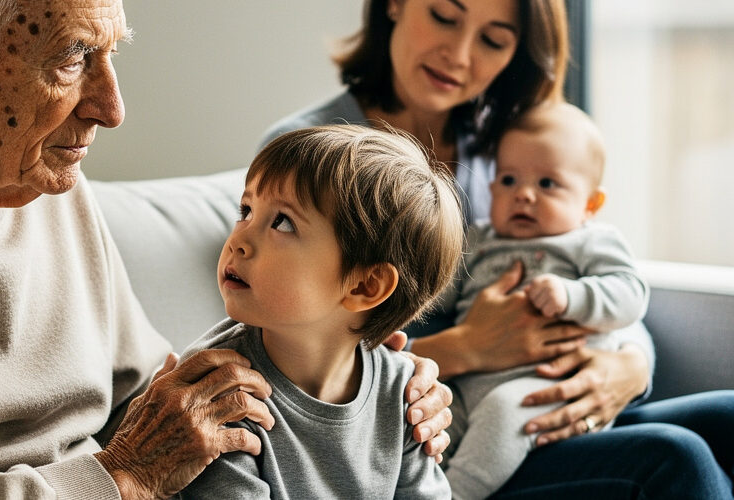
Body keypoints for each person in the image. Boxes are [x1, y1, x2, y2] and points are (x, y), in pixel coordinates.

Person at [0, 1, 454, 498]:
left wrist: (362, 380)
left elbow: (156, 396)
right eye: (72, 58)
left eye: (110, 54)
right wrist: (117, 478)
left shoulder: (49, 185)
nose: (113, 107)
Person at [260, 0, 734, 497]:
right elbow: (295, 352)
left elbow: (586, 260)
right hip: (443, 428)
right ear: (395, 4)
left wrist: (631, 365)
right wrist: (465, 347)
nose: (459, 55)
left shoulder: (508, 148)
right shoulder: (309, 150)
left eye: (493, 40)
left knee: (727, 416)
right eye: (444, 16)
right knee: (677, 456)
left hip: (549, 385)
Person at [180, 124, 460, 499]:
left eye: (282, 222)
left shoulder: (406, 394)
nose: (239, 240)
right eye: (246, 211)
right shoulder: (220, 390)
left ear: (364, 286)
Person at [441, 101, 649, 499]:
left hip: (544, 388)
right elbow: (436, 295)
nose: (523, 196)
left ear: (590, 204)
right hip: (467, 384)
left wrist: (573, 295)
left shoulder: (589, 241)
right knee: (430, 423)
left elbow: (630, 293)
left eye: (547, 184)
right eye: (508, 180)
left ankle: (455, 495)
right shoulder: (478, 240)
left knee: (503, 414)